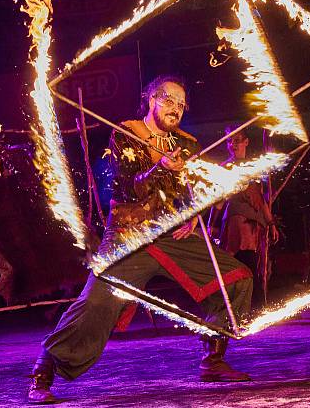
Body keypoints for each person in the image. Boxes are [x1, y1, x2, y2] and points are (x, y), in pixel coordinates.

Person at [28, 75, 253, 404]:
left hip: (172, 236)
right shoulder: (126, 134)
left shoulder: (185, 144)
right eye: (168, 99)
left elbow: (193, 190)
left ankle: (213, 360)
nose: (175, 108)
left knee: (235, 279)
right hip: (129, 235)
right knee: (96, 303)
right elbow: (125, 186)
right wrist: (161, 166)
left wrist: (193, 214)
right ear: (151, 99)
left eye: (181, 103)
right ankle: (43, 371)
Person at [211, 127, 277, 308]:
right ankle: (245, 305)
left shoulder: (254, 167)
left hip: (257, 221)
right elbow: (218, 200)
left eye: (237, 139)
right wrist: (211, 224)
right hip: (237, 219)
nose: (233, 144)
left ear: (246, 141)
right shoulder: (225, 168)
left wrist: (271, 223)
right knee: (240, 260)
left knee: (257, 264)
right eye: (229, 141)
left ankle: (256, 305)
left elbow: (261, 198)